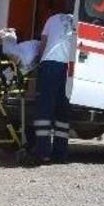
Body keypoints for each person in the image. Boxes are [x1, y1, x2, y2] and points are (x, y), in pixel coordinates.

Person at [32, 11, 75, 165]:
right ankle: (60, 154)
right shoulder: (77, 21)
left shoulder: (52, 19)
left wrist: (37, 62)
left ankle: (42, 152)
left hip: (50, 63)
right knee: (62, 110)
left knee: (45, 108)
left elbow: (43, 43)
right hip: (69, 68)